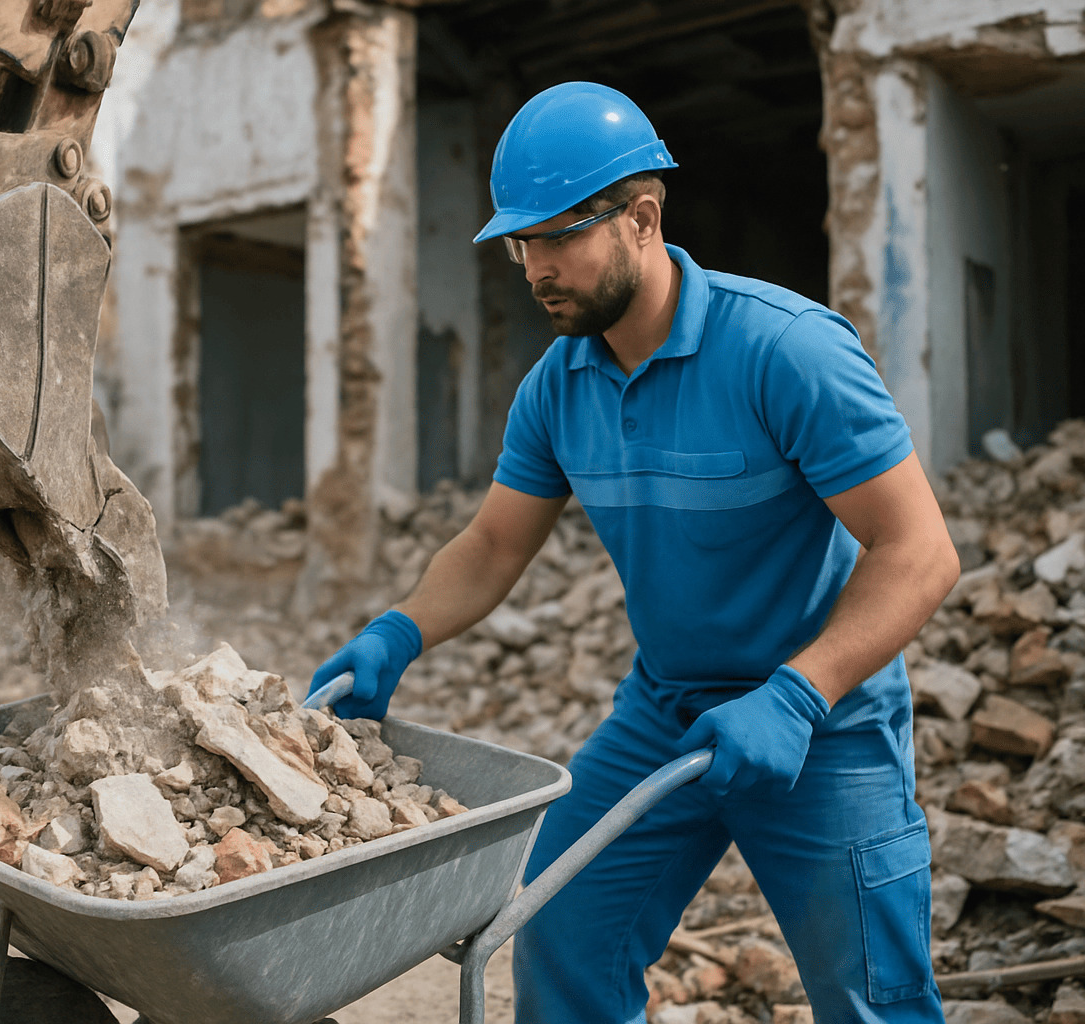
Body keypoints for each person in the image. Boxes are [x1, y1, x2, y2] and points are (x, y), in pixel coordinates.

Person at [308, 82, 960, 1024]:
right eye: (520, 244)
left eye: (557, 235)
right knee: (560, 928)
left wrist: (798, 693)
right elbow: (494, 543)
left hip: (823, 724)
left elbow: (919, 550)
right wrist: (399, 632)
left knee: (874, 1001)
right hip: (667, 716)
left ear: (642, 219)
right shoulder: (556, 386)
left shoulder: (786, 351)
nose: (534, 267)